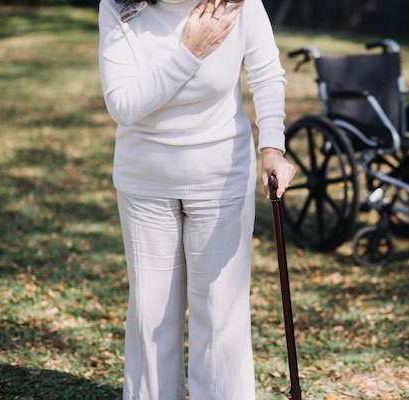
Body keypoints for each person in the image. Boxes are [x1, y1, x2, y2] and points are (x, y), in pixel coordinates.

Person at [97, 0, 296, 398]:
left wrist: (272, 147)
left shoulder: (240, 4)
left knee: (221, 319)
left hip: (221, 178)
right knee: (151, 319)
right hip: (145, 184)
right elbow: (123, 105)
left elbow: (267, 76)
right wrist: (191, 52)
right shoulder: (118, 8)